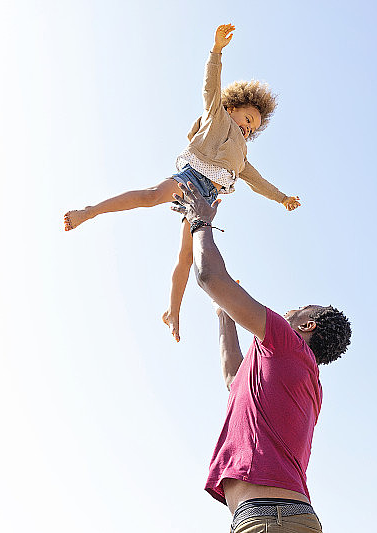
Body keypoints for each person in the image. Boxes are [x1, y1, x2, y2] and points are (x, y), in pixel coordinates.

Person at [63, 23, 301, 343]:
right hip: (191, 179)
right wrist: (216, 50)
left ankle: (172, 311)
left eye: (251, 129)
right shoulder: (218, 114)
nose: (246, 130)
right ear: (232, 108)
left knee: (187, 257)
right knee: (151, 196)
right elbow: (210, 86)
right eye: (246, 120)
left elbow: (258, 182)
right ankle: (89, 211)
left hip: (206, 201)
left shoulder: (241, 158)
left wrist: (282, 197)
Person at [173, 181, 352, 533]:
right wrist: (224, 312)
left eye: (299, 309)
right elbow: (233, 378)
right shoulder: (303, 376)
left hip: (270, 519)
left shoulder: (287, 344)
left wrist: (201, 222)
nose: (291, 310)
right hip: (281, 516)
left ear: (308, 324)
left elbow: (210, 276)